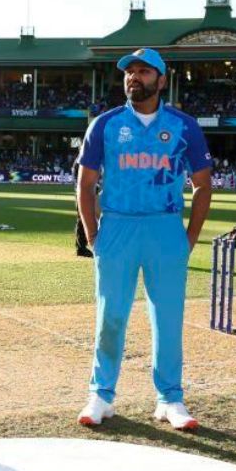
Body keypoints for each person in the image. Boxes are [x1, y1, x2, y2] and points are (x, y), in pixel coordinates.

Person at [75, 48, 213, 431]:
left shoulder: (184, 126)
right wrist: (92, 233)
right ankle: (101, 395)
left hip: (166, 227)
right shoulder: (105, 124)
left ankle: (170, 398)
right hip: (117, 226)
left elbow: (203, 186)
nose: (134, 77)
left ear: (162, 80)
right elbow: (85, 183)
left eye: (143, 72)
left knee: (168, 318)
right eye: (129, 72)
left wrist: (189, 238)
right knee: (111, 316)